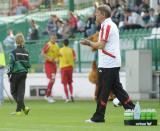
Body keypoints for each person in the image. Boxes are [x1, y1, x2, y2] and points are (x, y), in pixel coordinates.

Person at [80, 5, 135, 123]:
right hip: (110, 63)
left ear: (103, 15)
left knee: (102, 91)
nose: (95, 15)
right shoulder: (109, 25)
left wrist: (88, 43)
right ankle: (132, 110)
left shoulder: (107, 26)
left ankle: (99, 116)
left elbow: (101, 45)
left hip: (108, 64)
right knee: (116, 89)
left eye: (97, 13)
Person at [7, 33, 31, 115]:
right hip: (24, 73)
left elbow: (11, 64)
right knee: (20, 92)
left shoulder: (13, 52)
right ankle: (18, 111)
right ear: (23, 41)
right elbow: (28, 65)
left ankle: (23, 108)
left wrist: (8, 73)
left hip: (15, 73)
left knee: (13, 91)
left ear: (16, 41)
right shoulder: (26, 52)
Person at [41, 35, 60, 103]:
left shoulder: (57, 45)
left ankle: (49, 95)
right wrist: (49, 57)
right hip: (48, 64)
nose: (54, 39)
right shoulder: (48, 45)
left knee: (53, 80)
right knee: (52, 80)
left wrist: (58, 58)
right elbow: (42, 53)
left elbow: (58, 54)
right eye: (53, 38)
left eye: (55, 38)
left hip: (54, 65)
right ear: (50, 38)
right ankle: (47, 96)